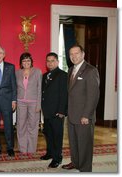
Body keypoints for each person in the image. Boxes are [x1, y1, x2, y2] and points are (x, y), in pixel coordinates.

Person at [62, 44, 100, 172]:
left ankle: (85, 169)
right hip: (72, 114)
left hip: (84, 116)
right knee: (74, 143)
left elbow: (93, 96)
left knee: (84, 144)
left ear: (83, 54)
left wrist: (86, 115)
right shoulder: (70, 69)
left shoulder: (91, 70)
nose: (73, 56)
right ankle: (76, 162)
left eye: (76, 53)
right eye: (71, 54)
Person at [40, 52, 68, 168]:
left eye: (52, 61)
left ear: (57, 62)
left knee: (57, 136)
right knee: (48, 134)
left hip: (57, 112)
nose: (50, 63)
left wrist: (62, 111)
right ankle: (50, 153)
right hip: (47, 111)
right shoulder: (44, 75)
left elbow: (64, 94)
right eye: (48, 61)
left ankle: (57, 158)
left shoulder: (62, 75)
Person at [15, 52, 42, 155]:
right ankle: (22, 149)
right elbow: (15, 88)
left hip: (34, 103)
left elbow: (39, 88)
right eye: (24, 60)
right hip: (20, 102)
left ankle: (31, 149)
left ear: (31, 62)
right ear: (21, 62)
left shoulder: (37, 72)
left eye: (28, 60)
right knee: (21, 125)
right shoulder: (17, 73)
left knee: (33, 126)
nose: (26, 62)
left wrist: (39, 105)